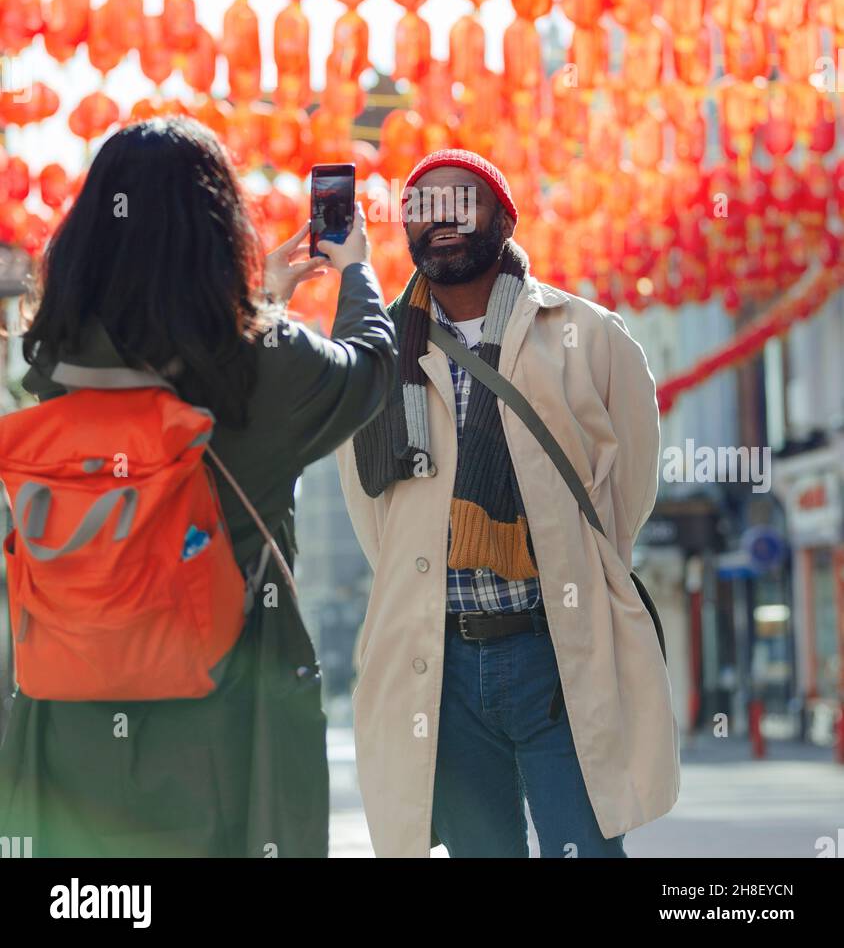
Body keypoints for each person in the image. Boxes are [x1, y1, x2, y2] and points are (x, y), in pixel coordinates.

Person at [0, 117, 396, 858]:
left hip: (64, 744)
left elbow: (159, 347)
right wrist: (354, 269)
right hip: (217, 743)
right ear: (219, 230)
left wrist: (261, 303)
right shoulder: (266, 369)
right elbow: (372, 369)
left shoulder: (56, 366)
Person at [336, 148, 680, 859]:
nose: (441, 219)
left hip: (556, 647)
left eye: (462, 201)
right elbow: (378, 517)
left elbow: (627, 489)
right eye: (421, 207)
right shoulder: (377, 358)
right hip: (442, 663)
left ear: (502, 216)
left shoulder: (587, 336)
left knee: (584, 847)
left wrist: (574, 568)